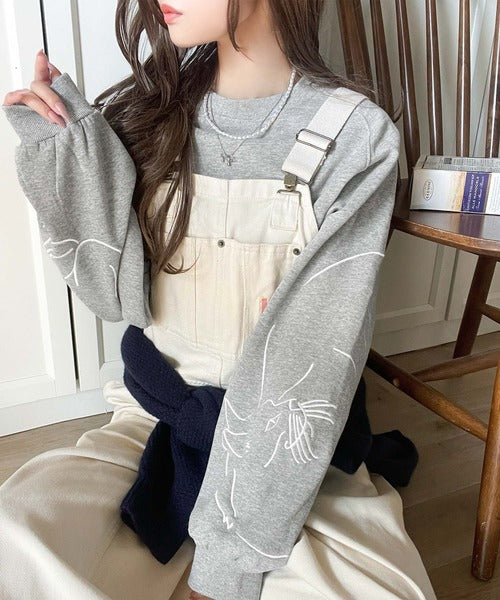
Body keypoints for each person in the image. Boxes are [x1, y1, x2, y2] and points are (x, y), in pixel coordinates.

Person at [1, 1, 437, 599]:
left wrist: (227, 570)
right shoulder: (148, 113)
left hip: (288, 451)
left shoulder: (358, 139)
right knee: (15, 537)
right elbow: (115, 296)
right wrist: (67, 152)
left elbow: (310, 368)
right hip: (152, 420)